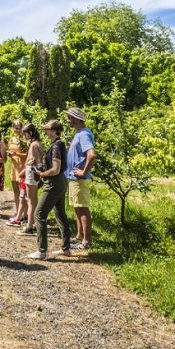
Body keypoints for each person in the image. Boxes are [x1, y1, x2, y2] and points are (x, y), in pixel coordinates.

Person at [27, 119, 72, 260]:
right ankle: (66, 248)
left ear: (54, 131)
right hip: (61, 182)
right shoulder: (58, 144)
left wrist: (41, 173)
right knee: (60, 214)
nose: (45, 132)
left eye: (47, 129)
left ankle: (42, 251)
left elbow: (55, 169)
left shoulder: (56, 146)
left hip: (54, 183)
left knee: (39, 214)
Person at [63, 107, 96, 250]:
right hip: (73, 177)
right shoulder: (79, 133)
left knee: (82, 208)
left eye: (69, 118)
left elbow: (92, 154)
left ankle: (86, 242)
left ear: (76, 118)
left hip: (79, 179)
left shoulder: (84, 134)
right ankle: (79, 236)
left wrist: (83, 171)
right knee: (77, 207)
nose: (67, 120)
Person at [16, 123, 43, 236]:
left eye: (25, 134)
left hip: (32, 172)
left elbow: (37, 160)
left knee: (31, 200)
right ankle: (34, 223)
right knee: (33, 200)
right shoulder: (38, 143)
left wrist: (37, 171)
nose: (24, 136)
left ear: (30, 133)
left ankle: (29, 226)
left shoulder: (33, 145)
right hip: (33, 172)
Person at [6, 120, 28, 223]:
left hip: (22, 166)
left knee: (23, 191)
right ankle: (17, 210)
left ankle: (25, 213)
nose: (17, 129)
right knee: (15, 190)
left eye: (19, 127)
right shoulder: (12, 138)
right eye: (15, 127)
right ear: (12, 128)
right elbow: (10, 150)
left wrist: (17, 154)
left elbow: (28, 155)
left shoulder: (25, 139)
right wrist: (10, 154)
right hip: (14, 166)